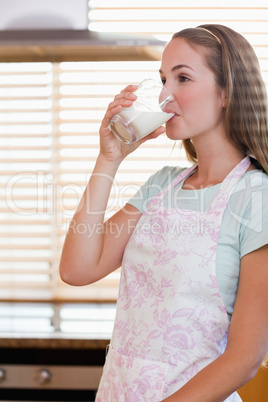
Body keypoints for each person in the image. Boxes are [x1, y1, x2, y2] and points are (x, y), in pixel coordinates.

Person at [59, 24, 268, 401]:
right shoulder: (162, 185)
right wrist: (108, 159)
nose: (164, 95)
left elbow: (244, 359)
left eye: (182, 78)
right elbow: (77, 269)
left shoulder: (257, 198)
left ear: (227, 92)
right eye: (162, 79)